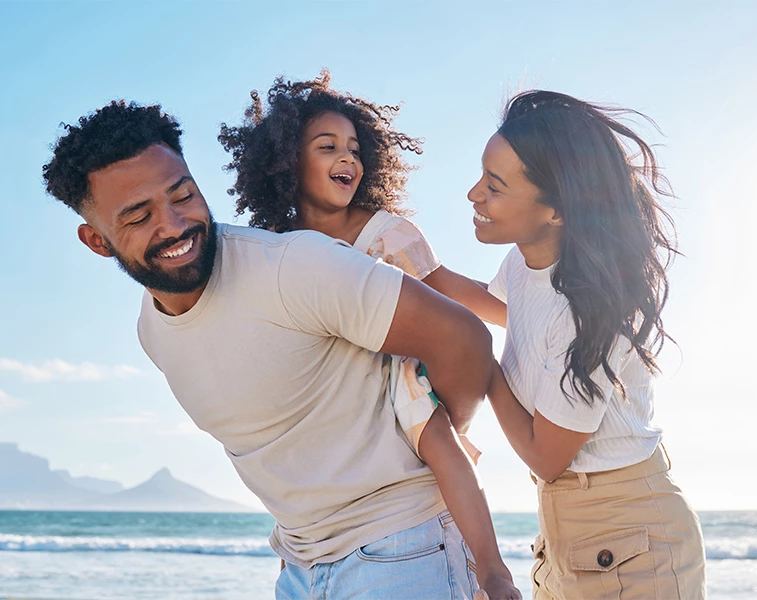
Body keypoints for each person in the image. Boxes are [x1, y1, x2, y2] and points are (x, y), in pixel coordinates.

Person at [43, 100, 503, 600]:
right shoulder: (152, 331)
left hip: (400, 552)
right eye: (138, 216)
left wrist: (433, 429)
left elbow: (465, 339)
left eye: (183, 195)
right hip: (299, 567)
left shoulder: (294, 267)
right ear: (97, 240)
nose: (174, 225)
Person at [219, 72, 518, 599]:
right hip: (332, 391)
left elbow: (446, 286)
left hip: (394, 372)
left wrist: (521, 317)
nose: (347, 158)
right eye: (328, 146)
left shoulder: (382, 231)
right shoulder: (278, 249)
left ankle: (493, 573)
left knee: (440, 444)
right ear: (289, 161)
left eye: (354, 149)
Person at [469, 90, 707, 599]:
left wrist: (480, 366)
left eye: (494, 186)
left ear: (555, 210)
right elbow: (505, 313)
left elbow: (546, 457)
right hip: (567, 534)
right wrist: (409, 264)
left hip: (632, 542)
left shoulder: (590, 312)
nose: (474, 195)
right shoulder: (525, 263)